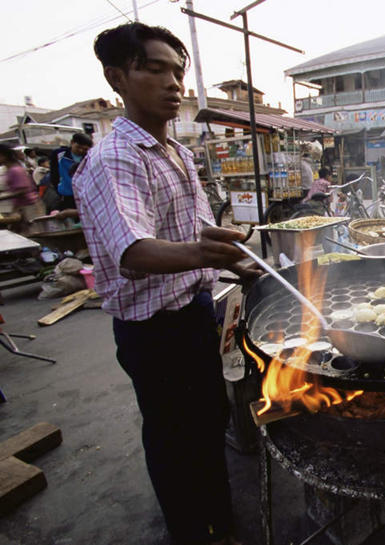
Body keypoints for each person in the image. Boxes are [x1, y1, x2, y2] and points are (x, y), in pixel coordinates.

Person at [73, 22, 258, 545]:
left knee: (208, 421)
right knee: (175, 436)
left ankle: (220, 521)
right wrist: (207, 252)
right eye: (154, 69)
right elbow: (133, 250)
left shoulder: (174, 151)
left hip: (195, 312)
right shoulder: (115, 158)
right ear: (118, 78)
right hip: (152, 331)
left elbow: (188, 232)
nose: (174, 83)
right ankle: (190, 531)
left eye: (178, 71)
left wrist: (229, 256)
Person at [0, 143, 45, 234]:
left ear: (3, 156)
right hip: (21, 206)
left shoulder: (15, 170)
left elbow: (23, 190)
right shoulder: (9, 169)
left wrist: (3, 197)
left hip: (30, 206)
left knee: (34, 233)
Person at [51, 132, 93, 210]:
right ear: (72, 142)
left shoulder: (89, 157)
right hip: (66, 194)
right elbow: (54, 174)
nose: (81, 150)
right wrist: (58, 189)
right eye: (78, 147)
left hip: (83, 195)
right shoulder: (59, 154)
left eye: (85, 149)